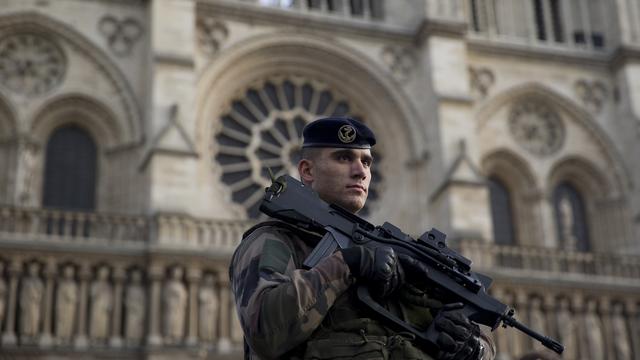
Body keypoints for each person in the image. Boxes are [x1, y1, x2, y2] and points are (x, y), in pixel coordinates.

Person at [229, 117, 495, 360]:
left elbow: (475, 340)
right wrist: (347, 263)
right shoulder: (275, 240)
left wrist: (475, 346)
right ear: (307, 171)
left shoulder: (398, 256)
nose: (361, 171)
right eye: (344, 158)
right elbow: (265, 331)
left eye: (366, 162)